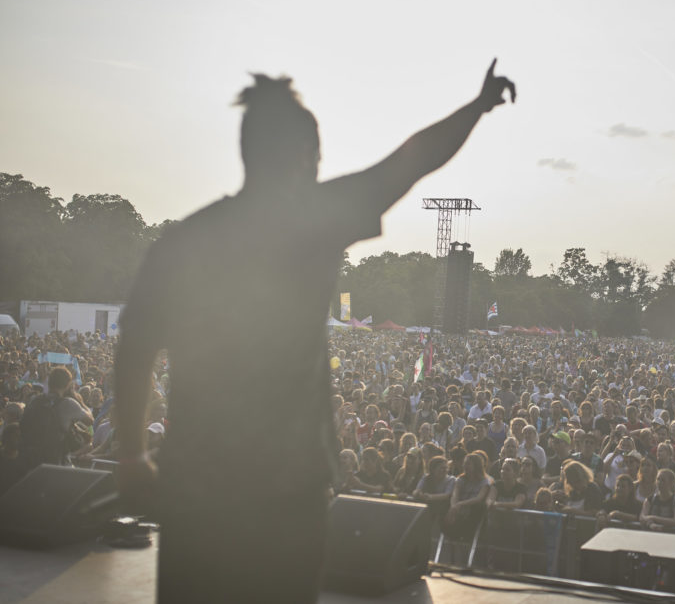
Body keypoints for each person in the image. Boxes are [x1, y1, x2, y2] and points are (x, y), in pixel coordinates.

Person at [113, 62, 515, 603]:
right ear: (305, 156)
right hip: (287, 484)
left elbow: (135, 348)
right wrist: (478, 106)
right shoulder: (314, 217)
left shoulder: (185, 239)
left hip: (196, 482)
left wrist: (134, 458)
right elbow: (410, 162)